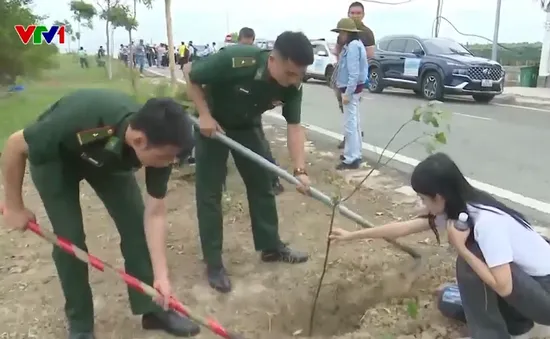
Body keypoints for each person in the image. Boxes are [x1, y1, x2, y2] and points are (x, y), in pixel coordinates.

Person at [1, 89, 200, 339]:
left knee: (137, 226)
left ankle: (153, 309)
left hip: (107, 159)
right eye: (165, 158)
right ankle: (81, 326)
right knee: (69, 241)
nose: (169, 164)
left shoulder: (161, 146)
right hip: (56, 161)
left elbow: (155, 214)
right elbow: (14, 144)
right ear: (139, 140)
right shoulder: (81, 118)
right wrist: (14, 205)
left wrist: (161, 276)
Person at [329, 152, 550, 339]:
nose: (421, 205)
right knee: (449, 300)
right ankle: (517, 327)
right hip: (532, 288)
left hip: (545, 295)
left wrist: (460, 247)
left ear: (439, 197)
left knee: (470, 259)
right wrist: (351, 235)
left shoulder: (486, 223)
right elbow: (403, 228)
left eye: (423, 199)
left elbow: (504, 287)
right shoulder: (463, 209)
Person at [184, 31, 314, 293]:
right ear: (273, 60)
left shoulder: (293, 85)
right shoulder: (236, 59)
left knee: (262, 183)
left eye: (298, 75)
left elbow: (294, 126)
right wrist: (205, 115)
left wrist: (300, 170)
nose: (293, 81)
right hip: (214, 124)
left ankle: (270, 246)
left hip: (246, 125)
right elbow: (190, 72)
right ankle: (213, 263)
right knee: (209, 193)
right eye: (289, 73)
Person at [236, 26, 284, 193]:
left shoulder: (259, 60)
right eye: (244, 46)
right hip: (227, 110)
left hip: (251, 112)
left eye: (250, 46)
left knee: (260, 146)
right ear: (238, 42)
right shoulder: (231, 58)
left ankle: (273, 180)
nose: (247, 50)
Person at [334, 1, 375, 150]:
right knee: (348, 113)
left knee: (351, 116)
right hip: (345, 78)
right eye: (353, 13)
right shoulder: (346, 33)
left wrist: (355, 84)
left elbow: (369, 56)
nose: (355, 16)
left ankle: (352, 151)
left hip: (354, 80)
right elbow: (337, 51)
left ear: (363, 15)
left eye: (358, 13)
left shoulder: (364, 36)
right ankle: (352, 144)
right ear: (348, 14)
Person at [331, 18, 367, 170]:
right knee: (355, 124)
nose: (339, 36)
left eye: (340, 33)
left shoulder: (352, 47)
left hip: (350, 90)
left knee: (350, 125)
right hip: (353, 89)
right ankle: (354, 154)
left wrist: (347, 93)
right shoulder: (355, 45)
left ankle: (351, 158)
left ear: (346, 33)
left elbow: (353, 73)